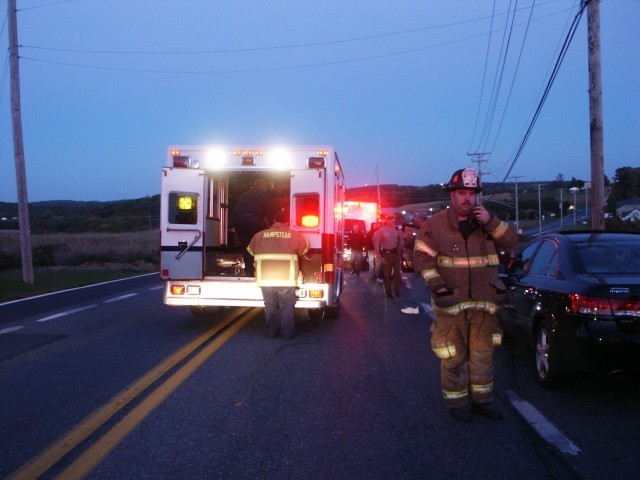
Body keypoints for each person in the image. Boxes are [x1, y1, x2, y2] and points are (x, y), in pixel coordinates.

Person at [413, 166, 517, 422]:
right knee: (453, 356)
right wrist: (438, 287)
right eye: (461, 193)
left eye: (471, 193)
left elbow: (512, 242)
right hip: (452, 305)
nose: (467, 198)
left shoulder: (487, 224)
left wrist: (491, 222)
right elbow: (422, 260)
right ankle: (457, 404)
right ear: (452, 195)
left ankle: (483, 401)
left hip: (484, 304)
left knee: (483, 356)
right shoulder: (434, 225)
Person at [247, 209, 309, 339]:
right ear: (287, 222)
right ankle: (287, 333)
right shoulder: (294, 235)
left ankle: (271, 332)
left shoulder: (259, 235)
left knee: (269, 304)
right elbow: (303, 250)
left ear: (273, 221)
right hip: (287, 278)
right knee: (286, 304)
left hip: (265, 278)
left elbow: (250, 251)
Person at [230, 179, 275, 277]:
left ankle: (249, 270)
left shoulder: (246, 194)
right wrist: (272, 225)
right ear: (264, 187)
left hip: (237, 220)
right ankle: (263, 269)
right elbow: (269, 211)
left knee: (246, 245)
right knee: (263, 241)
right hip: (251, 220)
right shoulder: (263, 194)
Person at [373, 214, 404, 298]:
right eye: (389, 219)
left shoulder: (397, 229)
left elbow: (402, 240)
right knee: (387, 275)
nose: (391, 221)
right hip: (386, 254)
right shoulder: (381, 230)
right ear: (386, 220)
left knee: (398, 274)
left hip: (396, 254)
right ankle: (388, 292)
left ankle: (397, 290)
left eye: (393, 219)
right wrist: (378, 254)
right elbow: (376, 242)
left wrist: (401, 248)